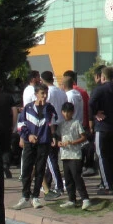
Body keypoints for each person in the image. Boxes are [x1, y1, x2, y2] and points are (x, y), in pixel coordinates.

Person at [13, 83, 57, 210]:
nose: (45, 96)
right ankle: (25, 197)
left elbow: (52, 124)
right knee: (27, 169)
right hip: (29, 142)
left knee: (40, 169)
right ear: (36, 94)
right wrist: (28, 136)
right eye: (42, 93)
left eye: (46, 93)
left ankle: (35, 197)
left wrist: (53, 136)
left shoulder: (50, 108)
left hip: (44, 142)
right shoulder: (28, 108)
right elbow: (21, 125)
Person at [89, 66, 113, 195]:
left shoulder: (99, 89)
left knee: (101, 155)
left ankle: (107, 186)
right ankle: (111, 181)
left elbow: (91, 103)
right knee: (111, 154)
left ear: (103, 77)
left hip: (102, 127)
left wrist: (95, 114)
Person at [57, 102, 92, 210]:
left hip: (75, 154)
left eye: (68, 112)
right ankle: (71, 199)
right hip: (65, 155)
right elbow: (58, 137)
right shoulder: (61, 124)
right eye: (64, 112)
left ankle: (85, 198)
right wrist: (58, 143)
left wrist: (73, 142)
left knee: (77, 176)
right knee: (68, 179)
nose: (66, 114)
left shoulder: (76, 123)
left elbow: (84, 137)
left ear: (72, 112)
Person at [41, 71, 66, 200]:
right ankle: (50, 182)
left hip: (51, 127)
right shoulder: (61, 92)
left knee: (51, 158)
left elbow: (48, 114)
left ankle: (59, 185)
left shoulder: (47, 94)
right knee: (52, 158)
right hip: (60, 124)